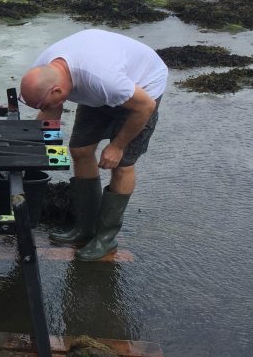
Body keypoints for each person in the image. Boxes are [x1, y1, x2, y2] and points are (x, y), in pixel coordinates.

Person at [19, 29, 167, 261]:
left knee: (122, 165)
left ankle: (105, 239)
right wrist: (45, 148)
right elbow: (51, 110)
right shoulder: (43, 70)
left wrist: (117, 146)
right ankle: (85, 227)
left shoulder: (103, 80)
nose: (43, 107)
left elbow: (145, 107)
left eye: (42, 102)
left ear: (57, 90)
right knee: (80, 150)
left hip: (142, 89)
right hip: (98, 91)